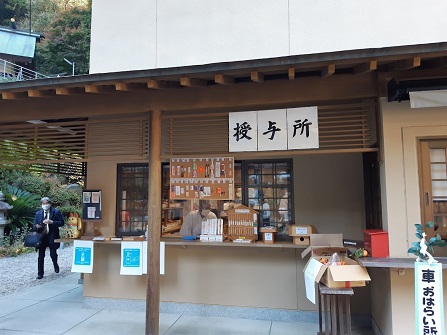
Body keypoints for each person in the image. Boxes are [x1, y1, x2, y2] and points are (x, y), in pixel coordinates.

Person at [33, 197, 65, 279]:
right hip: (42, 236)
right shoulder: (38, 213)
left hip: (52, 235)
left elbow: (61, 222)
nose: (45, 205)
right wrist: (37, 226)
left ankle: (55, 264)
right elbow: (34, 225)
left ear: (50, 204)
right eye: (43, 204)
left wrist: (52, 222)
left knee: (53, 253)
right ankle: (40, 273)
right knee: (41, 255)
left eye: (46, 203)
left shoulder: (56, 212)